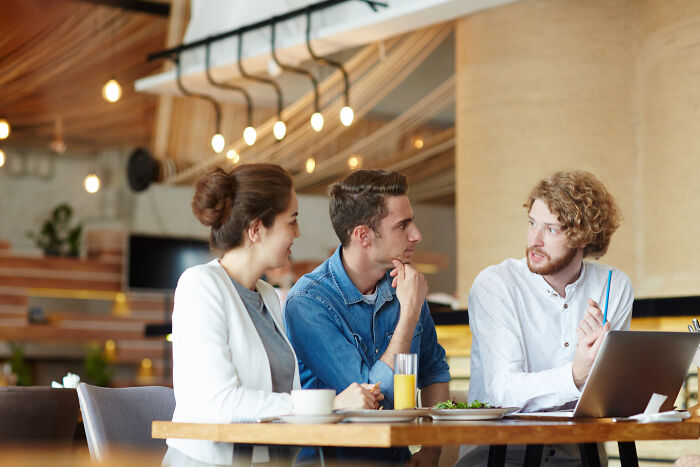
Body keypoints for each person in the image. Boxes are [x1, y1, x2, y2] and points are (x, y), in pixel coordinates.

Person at [163, 165, 381, 467]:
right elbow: (223, 402)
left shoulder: (267, 295)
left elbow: (278, 403)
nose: (298, 233)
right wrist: (330, 403)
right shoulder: (200, 285)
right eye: (291, 222)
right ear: (256, 229)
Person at [457, 170, 634, 466]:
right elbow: (503, 391)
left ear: (583, 236)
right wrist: (576, 375)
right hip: (501, 455)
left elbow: (612, 395)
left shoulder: (613, 286)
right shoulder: (496, 284)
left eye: (552, 229)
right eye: (532, 224)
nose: (534, 240)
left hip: (579, 456)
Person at [284, 169, 451, 465]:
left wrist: (432, 448)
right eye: (403, 225)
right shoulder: (308, 302)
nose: (417, 235)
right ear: (363, 235)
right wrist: (410, 313)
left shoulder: (405, 284)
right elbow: (369, 403)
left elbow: (434, 369)